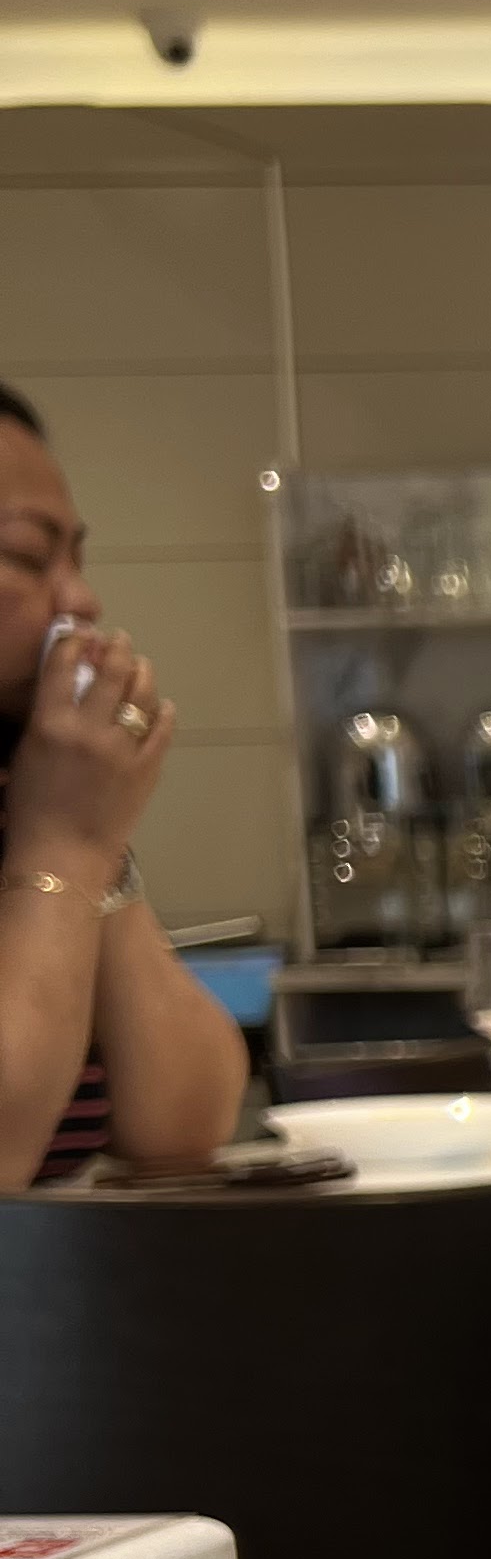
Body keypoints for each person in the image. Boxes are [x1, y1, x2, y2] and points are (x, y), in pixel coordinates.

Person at [0, 384, 246, 1186]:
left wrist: (93, 842)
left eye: (76, 557)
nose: (81, 599)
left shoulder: (31, 792)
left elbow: (185, 1125)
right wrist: (67, 846)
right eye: (25, 555)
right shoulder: (52, 830)